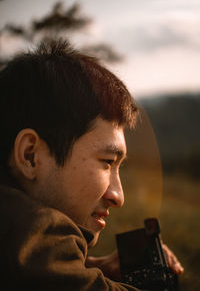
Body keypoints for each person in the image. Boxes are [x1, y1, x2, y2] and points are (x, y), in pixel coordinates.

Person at [0, 39, 183, 290]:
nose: (118, 197)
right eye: (107, 162)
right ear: (31, 155)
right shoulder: (32, 230)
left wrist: (91, 268)